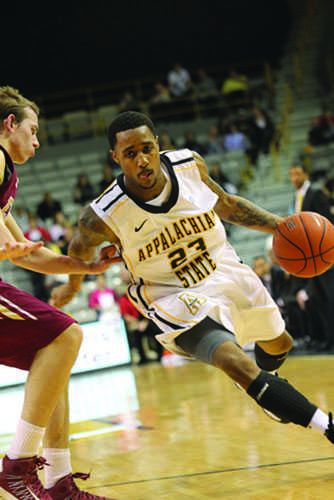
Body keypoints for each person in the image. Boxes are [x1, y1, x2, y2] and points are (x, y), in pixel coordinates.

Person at [52, 111, 334, 448]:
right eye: (130, 154)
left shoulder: (189, 165)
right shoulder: (102, 215)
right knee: (234, 361)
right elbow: (77, 252)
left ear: (157, 144)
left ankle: (268, 386)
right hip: (171, 293)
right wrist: (71, 286)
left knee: (280, 344)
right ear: (115, 157)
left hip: (222, 267)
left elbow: (226, 204)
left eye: (146, 148)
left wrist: (281, 226)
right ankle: (327, 425)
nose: (142, 160)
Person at [0, 86, 119, 500]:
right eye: (32, 130)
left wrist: (90, 267)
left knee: (53, 359)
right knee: (67, 335)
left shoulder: (5, 180)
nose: (37, 140)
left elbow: (31, 258)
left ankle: (60, 484)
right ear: (9, 124)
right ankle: (16, 466)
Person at [289, 161, 334, 350]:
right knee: (317, 299)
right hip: (309, 257)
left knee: (329, 296)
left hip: (324, 254)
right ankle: (327, 338)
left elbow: (328, 223)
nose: (295, 178)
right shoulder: (295, 199)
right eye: (292, 175)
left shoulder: (315, 194)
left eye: (298, 174)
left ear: (306, 174)